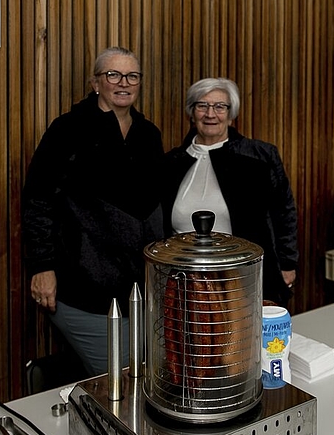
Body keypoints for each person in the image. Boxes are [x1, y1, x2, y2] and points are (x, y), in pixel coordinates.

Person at [22, 47, 164, 377]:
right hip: (83, 288)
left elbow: (157, 206)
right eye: (113, 74)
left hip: (140, 290)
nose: (123, 83)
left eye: (132, 75)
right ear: (95, 82)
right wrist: (42, 266)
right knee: (119, 379)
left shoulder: (149, 134)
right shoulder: (68, 130)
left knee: (142, 375)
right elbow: (37, 200)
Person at [164, 77, 298, 306]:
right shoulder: (171, 162)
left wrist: (287, 264)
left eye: (219, 106)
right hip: (183, 282)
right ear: (191, 111)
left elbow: (284, 212)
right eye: (202, 105)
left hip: (243, 280)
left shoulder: (260, 156)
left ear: (231, 113)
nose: (210, 114)